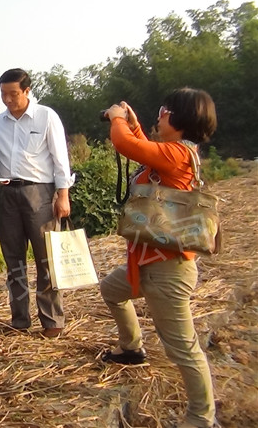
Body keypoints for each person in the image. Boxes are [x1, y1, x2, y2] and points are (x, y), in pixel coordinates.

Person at [99, 89, 218, 428]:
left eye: (165, 110)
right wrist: (134, 126)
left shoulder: (178, 154)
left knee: (183, 347)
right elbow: (143, 153)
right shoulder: (174, 154)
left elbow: (126, 145)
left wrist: (118, 119)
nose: (160, 114)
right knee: (111, 289)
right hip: (149, 262)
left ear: (180, 118)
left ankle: (201, 417)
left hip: (167, 269)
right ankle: (131, 349)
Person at [0, 68, 75, 338]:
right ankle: (20, 319)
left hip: (40, 192)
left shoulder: (46, 116)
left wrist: (63, 195)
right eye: (3, 94)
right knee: (13, 260)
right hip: (7, 193)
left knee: (46, 259)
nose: (8, 99)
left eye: (13, 94)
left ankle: (52, 320)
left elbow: (60, 158)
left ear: (27, 91)